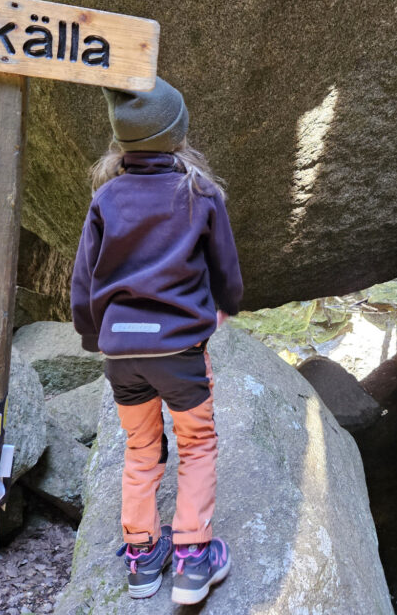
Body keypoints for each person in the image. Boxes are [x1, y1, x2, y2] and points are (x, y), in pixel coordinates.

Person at [70, 78, 242, 604]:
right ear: (179, 135)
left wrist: (92, 334)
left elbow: (83, 279)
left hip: (122, 355)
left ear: (122, 143)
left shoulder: (106, 197)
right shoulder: (200, 193)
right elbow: (226, 272)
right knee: (196, 443)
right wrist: (224, 308)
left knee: (141, 448)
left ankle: (142, 558)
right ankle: (193, 557)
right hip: (181, 354)